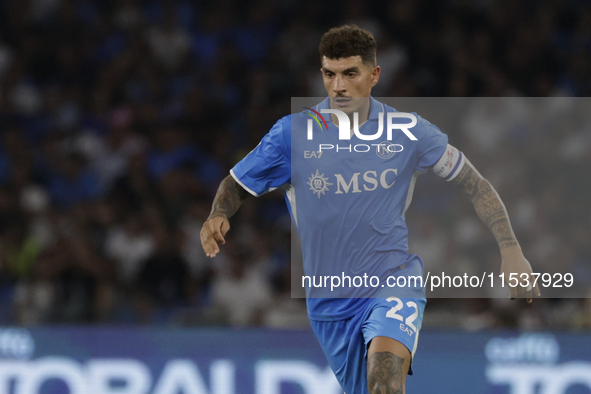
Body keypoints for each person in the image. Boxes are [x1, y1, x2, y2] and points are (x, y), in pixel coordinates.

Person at [200, 25, 539, 394]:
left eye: (350, 74)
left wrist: (511, 249)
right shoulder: (292, 134)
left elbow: (475, 184)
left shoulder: (409, 132)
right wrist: (219, 213)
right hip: (329, 300)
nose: (339, 86)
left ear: (374, 75)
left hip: (393, 280)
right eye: (330, 74)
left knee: (384, 385)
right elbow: (236, 184)